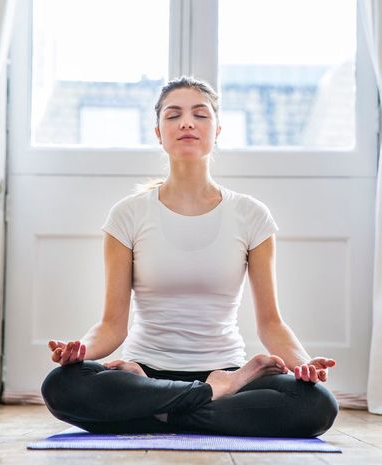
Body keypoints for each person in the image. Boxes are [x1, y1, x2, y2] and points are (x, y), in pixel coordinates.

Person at [41, 76, 339, 438]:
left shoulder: (251, 215)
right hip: (143, 373)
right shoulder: (128, 215)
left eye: (200, 114)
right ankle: (211, 397)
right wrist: (81, 351)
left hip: (226, 368)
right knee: (62, 386)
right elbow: (111, 325)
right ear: (158, 132)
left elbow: (271, 324)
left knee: (317, 404)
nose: (186, 123)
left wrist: (304, 365)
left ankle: (167, 412)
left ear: (217, 131)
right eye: (173, 115)